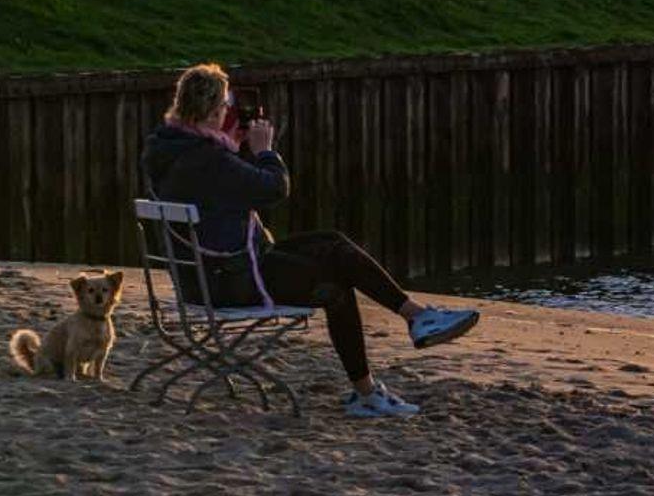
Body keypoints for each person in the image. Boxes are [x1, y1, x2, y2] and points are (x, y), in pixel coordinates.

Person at [141, 62, 479, 420]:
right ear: (212, 112)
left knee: (332, 242)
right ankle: (379, 374)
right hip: (232, 281)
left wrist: (233, 146)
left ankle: (415, 321)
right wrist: (265, 151)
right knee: (335, 286)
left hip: (203, 279)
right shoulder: (209, 160)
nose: (230, 111)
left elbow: (221, 188)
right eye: (226, 105)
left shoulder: (170, 149)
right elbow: (274, 188)